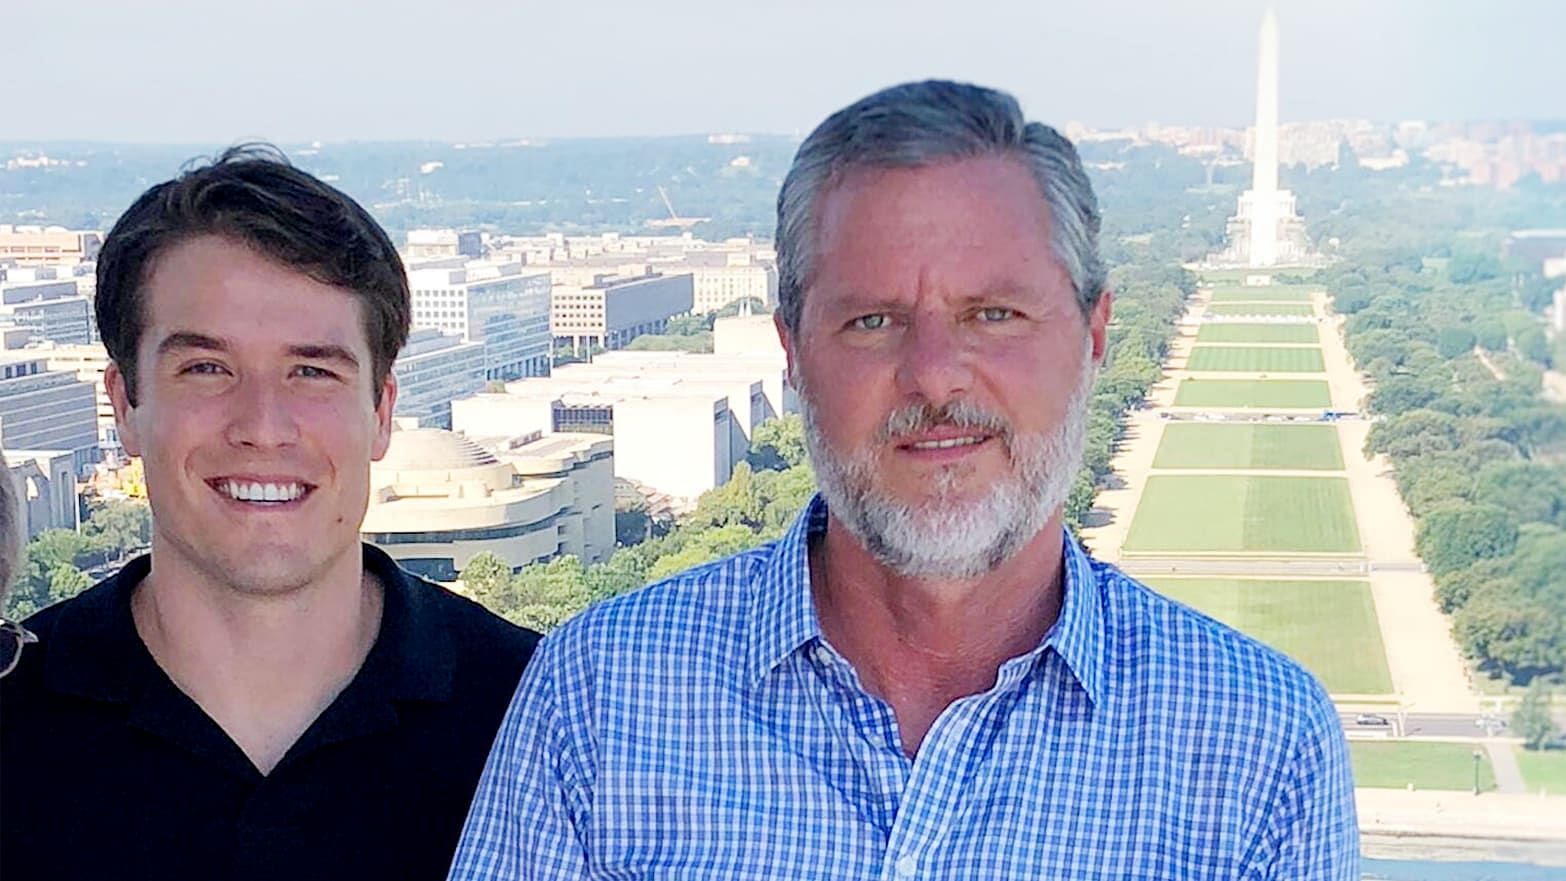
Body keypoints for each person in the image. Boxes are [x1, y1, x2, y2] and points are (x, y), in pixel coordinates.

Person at [449, 80, 1357, 880]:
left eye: (994, 313)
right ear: (793, 354)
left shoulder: (1260, 741)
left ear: (1092, 337)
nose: (936, 374)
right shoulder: (604, 693)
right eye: (874, 320)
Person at [0, 146, 540, 880]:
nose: (263, 424)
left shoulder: (540, 714)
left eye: (312, 370)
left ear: (381, 413)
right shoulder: (10, 718)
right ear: (124, 406)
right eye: (206, 368)